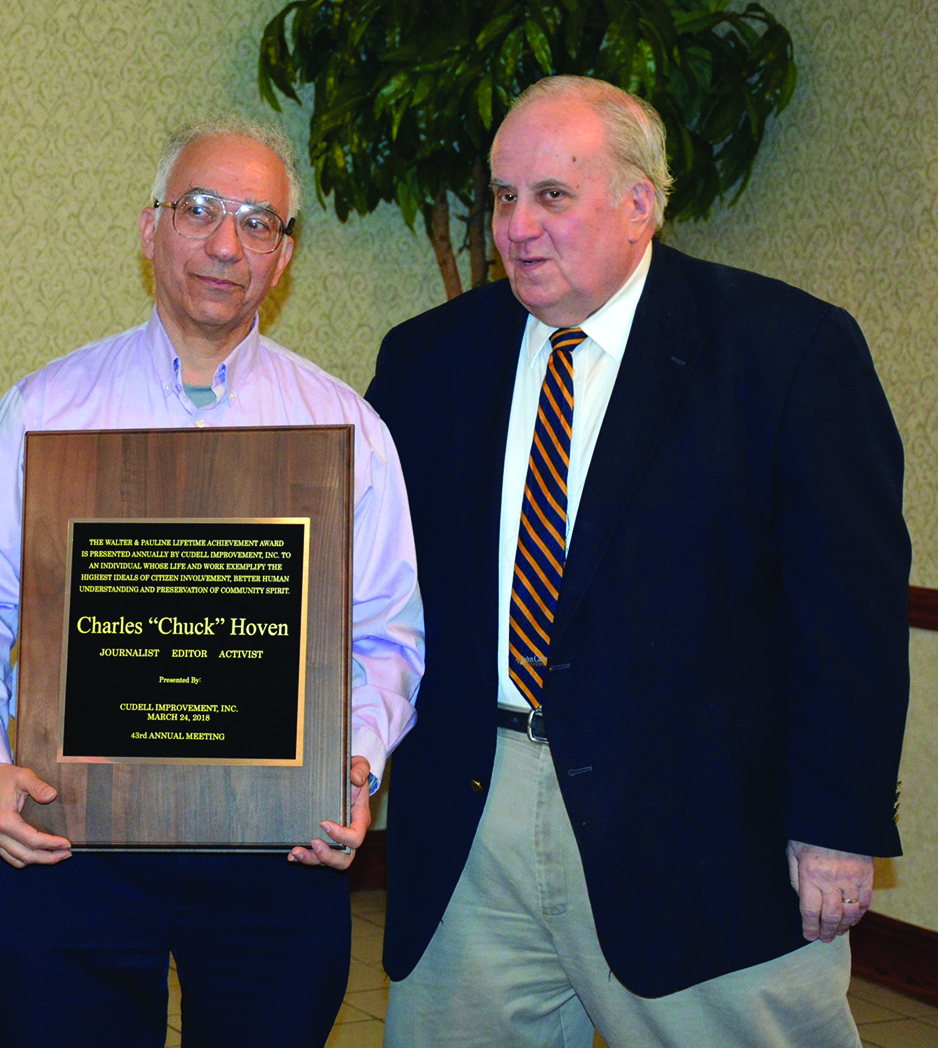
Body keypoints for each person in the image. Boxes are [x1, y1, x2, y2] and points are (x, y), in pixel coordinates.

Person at [366, 74, 910, 1048]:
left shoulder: (784, 350)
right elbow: (375, 584)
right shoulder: (428, 359)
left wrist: (838, 824)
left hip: (701, 833)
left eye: (552, 195)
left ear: (639, 203)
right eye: (503, 195)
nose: (517, 227)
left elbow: (848, 615)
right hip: (473, 820)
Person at [0, 116, 424, 1047]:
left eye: (258, 222)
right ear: (150, 227)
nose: (226, 244)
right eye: (199, 210)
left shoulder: (346, 428)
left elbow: (386, 634)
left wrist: (353, 760)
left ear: (284, 257)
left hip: (281, 841)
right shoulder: (45, 410)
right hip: (70, 837)